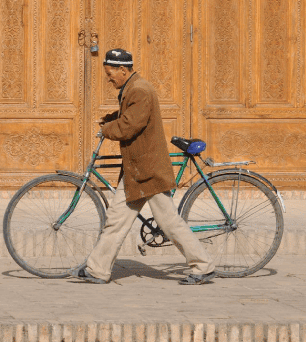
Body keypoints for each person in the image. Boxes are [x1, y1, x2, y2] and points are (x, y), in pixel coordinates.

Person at [70, 48, 216, 286]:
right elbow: (130, 115)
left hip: (148, 170)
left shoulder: (140, 90)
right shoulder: (132, 88)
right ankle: (97, 269)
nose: (109, 78)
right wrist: (111, 118)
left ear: (123, 70)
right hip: (136, 170)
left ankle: (203, 266)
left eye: (110, 73)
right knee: (117, 220)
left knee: (169, 222)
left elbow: (129, 125)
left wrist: (107, 129)